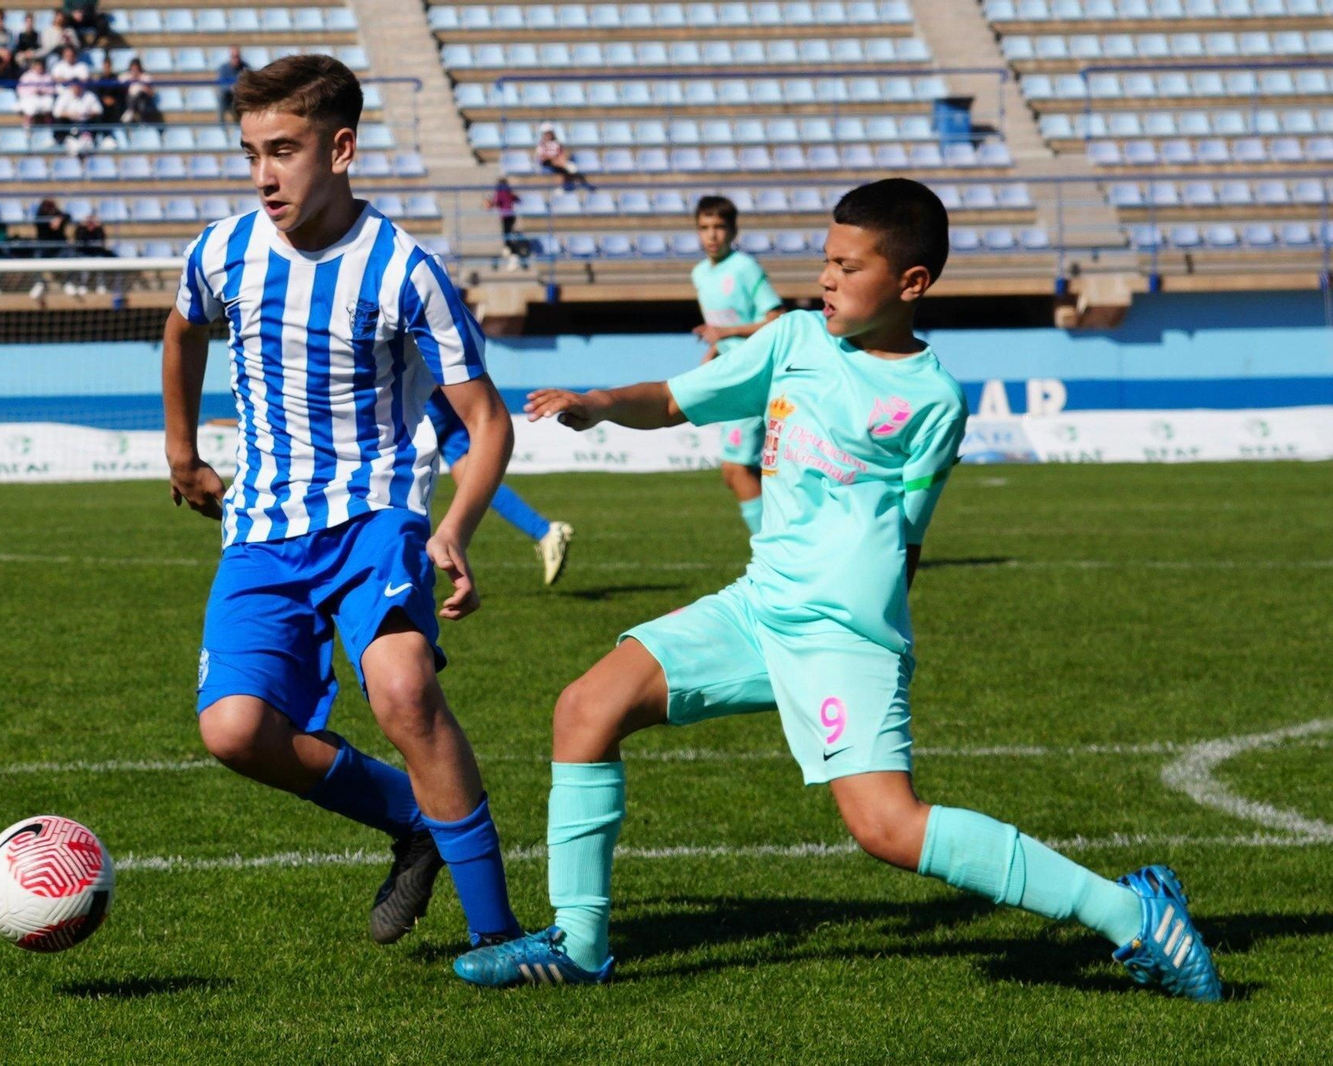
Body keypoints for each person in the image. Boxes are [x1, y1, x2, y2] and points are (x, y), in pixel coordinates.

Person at [452, 177, 1225, 1004]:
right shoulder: (791, 341)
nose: (826, 278)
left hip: (842, 637)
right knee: (586, 707)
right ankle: (580, 942)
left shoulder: (934, 401)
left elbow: (910, 541)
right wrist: (598, 404)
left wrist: (872, 638)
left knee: (886, 829)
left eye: (847, 266)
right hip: (757, 607)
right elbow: (677, 400)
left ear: (910, 284)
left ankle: (1131, 913)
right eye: (824, 260)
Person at [164, 54, 523, 954]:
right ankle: (415, 822)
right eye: (251, 152)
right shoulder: (222, 250)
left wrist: (455, 528)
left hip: (377, 515)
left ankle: (500, 937)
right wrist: (181, 451)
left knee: (403, 690)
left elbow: (488, 424)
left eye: (282, 150)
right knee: (235, 731)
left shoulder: (407, 270)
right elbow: (181, 331)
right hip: (262, 529)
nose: (262, 174)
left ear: (343, 147)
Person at [687, 195, 784, 535]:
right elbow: (721, 330)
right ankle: (785, 544)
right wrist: (712, 353)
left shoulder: (744, 267)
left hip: (755, 376)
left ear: (733, 231)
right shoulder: (700, 274)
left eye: (718, 227)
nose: (711, 236)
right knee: (744, 473)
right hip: (733, 376)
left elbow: (777, 318)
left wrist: (726, 332)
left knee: (735, 469)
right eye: (704, 228)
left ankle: (770, 553)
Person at [427, 390, 573, 585]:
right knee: (471, 479)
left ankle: (401, 579)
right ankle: (544, 531)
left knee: (395, 484)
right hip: (442, 399)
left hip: (419, 398)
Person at [28, 196, 69, 298]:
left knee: (72, 254)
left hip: (59, 248)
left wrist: (60, 218)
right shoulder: (40, 217)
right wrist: (49, 221)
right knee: (36, 256)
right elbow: (38, 221)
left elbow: (68, 216)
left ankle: (68, 282)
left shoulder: (58, 214)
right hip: (44, 248)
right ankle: (40, 283)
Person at [51, 80, 102, 156]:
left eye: (78, 87)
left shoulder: (89, 95)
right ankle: (62, 141)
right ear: (71, 87)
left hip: (86, 124)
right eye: (75, 87)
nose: (77, 89)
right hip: (69, 124)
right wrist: (70, 114)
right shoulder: (65, 96)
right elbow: (56, 112)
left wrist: (86, 113)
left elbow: (99, 110)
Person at [484, 177, 528, 266]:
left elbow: (496, 202)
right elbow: (517, 199)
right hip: (511, 215)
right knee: (507, 234)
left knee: (506, 235)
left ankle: (513, 254)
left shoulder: (500, 192)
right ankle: (509, 250)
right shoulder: (508, 191)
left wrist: (489, 204)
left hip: (506, 216)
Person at [534, 122, 590, 191]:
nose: (548, 135)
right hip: (547, 163)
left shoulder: (557, 143)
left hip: (557, 162)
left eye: (549, 133)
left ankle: (564, 185)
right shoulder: (541, 144)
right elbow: (542, 157)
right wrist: (554, 158)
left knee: (563, 170)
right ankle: (566, 166)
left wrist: (560, 159)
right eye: (546, 133)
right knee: (564, 168)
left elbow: (562, 153)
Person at [66, 209, 109, 295]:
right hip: (84, 253)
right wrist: (81, 226)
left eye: (92, 222)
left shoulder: (98, 230)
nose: (90, 224)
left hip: (96, 253)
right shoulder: (82, 230)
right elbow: (79, 239)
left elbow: (102, 241)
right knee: (83, 261)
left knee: (100, 260)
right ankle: (83, 285)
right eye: (89, 222)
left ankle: (101, 285)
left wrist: (99, 226)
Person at [17, 57, 55, 130]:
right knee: (30, 108)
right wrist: (33, 92)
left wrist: (43, 91)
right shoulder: (26, 76)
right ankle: (27, 129)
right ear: (33, 66)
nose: (39, 67)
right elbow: (20, 89)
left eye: (40, 66)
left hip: (44, 98)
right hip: (30, 97)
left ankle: (49, 129)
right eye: (37, 65)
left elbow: (52, 89)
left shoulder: (47, 76)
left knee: (49, 105)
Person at [119, 57, 158, 124]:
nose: (135, 70)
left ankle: (131, 111)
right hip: (128, 99)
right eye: (133, 68)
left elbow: (151, 93)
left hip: (143, 99)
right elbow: (120, 81)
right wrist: (131, 80)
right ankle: (131, 111)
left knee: (140, 96)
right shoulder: (127, 75)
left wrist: (141, 83)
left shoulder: (145, 76)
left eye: (136, 68)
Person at [216, 45, 246, 123]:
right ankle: (221, 125)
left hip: (238, 97)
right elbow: (221, 85)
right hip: (227, 97)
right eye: (233, 57)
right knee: (222, 97)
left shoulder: (245, 68)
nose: (236, 59)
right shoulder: (223, 68)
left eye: (237, 56)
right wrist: (231, 88)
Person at [92, 54, 124, 126]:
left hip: (114, 105)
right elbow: (98, 93)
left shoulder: (115, 79)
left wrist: (113, 100)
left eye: (108, 66)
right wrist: (104, 99)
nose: (106, 68)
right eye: (105, 66)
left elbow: (119, 93)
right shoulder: (100, 80)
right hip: (103, 104)